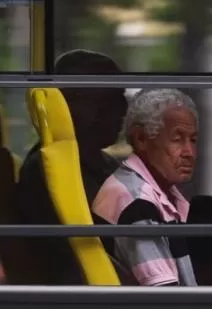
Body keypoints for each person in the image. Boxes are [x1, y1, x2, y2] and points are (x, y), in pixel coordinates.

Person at [16, 49, 128, 284]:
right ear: (69, 103)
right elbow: (117, 241)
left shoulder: (97, 162)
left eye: (121, 98)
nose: (122, 110)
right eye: (108, 99)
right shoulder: (54, 170)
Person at [92, 88, 199, 286]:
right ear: (141, 139)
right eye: (177, 139)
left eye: (193, 140)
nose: (189, 152)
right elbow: (164, 298)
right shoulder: (136, 202)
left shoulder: (162, 194)